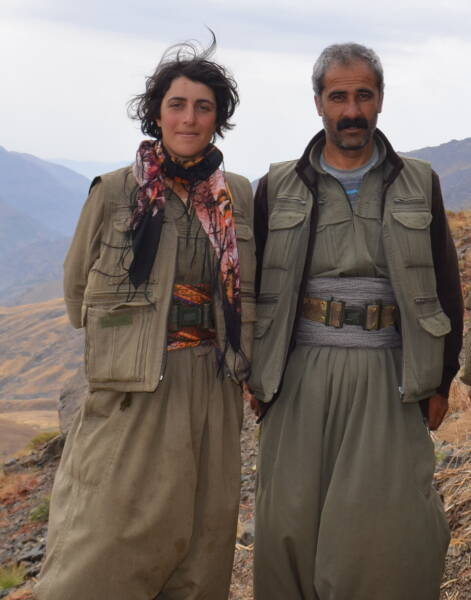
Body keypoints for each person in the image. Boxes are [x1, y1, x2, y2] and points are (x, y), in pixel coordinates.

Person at [34, 35, 255, 600]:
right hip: (135, 388)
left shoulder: (237, 195)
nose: (189, 118)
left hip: (214, 384)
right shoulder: (115, 191)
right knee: (109, 532)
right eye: (177, 104)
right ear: (156, 113)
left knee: (204, 532)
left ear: (218, 118)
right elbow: (77, 289)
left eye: (203, 107)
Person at [250, 42, 462, 600]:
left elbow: (446, 285)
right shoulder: (276, 186)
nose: (351, 111)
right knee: (290, 520)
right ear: (318, 103)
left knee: (388, 528)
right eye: (338, 97)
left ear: (381, 100)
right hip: (299, 375)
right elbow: (251, 288)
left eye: (363, 96)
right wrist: (256, 375)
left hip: (390, 372)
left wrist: (441, 381)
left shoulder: (419, 181)